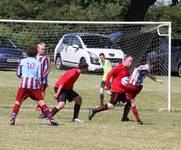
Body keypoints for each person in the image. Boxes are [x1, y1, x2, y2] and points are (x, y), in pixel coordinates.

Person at [10, 45, 58, 126]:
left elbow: (18, 73)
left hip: (24, 85)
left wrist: (23, 78)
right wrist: (40, 86)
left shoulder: (22, 61)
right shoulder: (38, 63)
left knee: (18, 102)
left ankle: (13, 118)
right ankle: (51, 119)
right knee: (42, 103)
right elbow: (40, 76)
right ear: (36, 53)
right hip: (34, 86)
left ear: (27, 53)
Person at [88, 56, 133, 121]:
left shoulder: (126, 69)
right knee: (110, 105)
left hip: (123, 91)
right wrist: (107, 85)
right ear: (125, 60)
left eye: (131, 61)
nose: (131, 63)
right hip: (117, 91)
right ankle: (93, 111)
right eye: (129, 61)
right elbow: (109, 74)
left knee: (130, 101)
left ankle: (124, 117)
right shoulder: (119, 67)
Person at [122, 59, 163, 125]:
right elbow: (139, 68)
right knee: (132, 103)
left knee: (131, 100)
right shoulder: (145, 68)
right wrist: (137, 73)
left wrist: (158, 80)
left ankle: (122, 102)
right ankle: (138, 120)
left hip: (131, 86)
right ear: (152, 65)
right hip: (133, 86)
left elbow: (150, 76)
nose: (153, 67)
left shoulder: (146, 70)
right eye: (153, 66)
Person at [35, 43, 51, 114]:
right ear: (38, 49)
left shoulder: (46, 58)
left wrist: (41, 76)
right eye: (42, 49)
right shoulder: (34, 57)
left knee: (41, 93)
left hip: (43, 79)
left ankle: (40, 108)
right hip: (34, 78)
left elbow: (47, 69)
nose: (43, 50)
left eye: (44, 49)